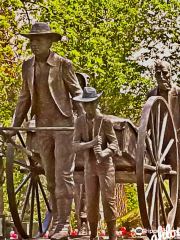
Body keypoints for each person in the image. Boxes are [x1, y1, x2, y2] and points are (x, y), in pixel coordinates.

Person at [8, 22, 84, 240]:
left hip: (63, 126)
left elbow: (77, 94)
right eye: (31, 40)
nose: (33, 44)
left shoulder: (63, 64)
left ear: (50, 41)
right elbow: (24, 98)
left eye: (38, 40)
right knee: (50, 177)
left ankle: (64, 225)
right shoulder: (27, 66)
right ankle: (57, 221)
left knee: (63, 175)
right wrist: (15, 127)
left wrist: (82, 122)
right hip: (42, 126)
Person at [73, 87, 118, 240]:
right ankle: (93, 235)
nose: (88, 107)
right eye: (85, 104)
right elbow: (74, 145)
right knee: (91, 200)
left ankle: (112, 236)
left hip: (105, 166)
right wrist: (90, 144)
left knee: (107, 200)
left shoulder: (104, 121)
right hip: (90, 166)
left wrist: (104, 153)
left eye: (91, 103)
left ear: (96, 102)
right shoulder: (80, 121)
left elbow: (114, 144)